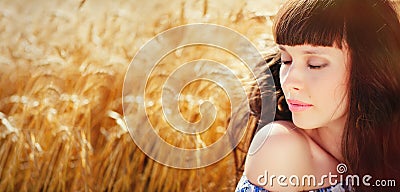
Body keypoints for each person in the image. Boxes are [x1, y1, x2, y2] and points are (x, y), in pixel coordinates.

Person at [234, 0, 400, 191]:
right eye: (286, 60)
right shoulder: (281, 150)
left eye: (314, 64)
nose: (289, 81)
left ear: (370, 70)